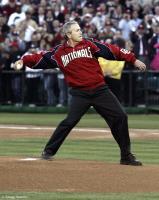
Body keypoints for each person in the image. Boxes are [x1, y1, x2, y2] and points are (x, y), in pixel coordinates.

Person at [13, 20, 146, 166]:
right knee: (70, 121)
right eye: (77, 30)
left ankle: (126, 156)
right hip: (80, 93)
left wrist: (133, 59)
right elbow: (39, 58)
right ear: (68, 34)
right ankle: (48, 151)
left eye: (79, 29)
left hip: (100, 90)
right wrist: (23, 61)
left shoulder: (90, 44)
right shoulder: (59, 53)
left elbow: (113, 50)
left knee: (120, 117)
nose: (80, 32)